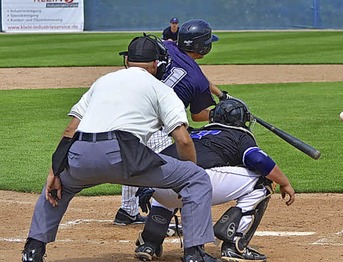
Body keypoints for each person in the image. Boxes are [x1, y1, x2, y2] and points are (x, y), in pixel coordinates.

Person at [21, 34, 219, 262]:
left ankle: (33, 250)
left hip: (80, 154)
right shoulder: (161, 89)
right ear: (157, 63)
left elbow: (70, 131)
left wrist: (55, 172)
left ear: (128, 60)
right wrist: (185, 175)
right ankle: (194, 254)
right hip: (125, 156)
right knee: (196, 178)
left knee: (57, 189)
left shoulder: (102, 82)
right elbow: (183, 140)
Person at [133, 98, 296, 262]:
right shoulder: (238, 135)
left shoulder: (194, 133)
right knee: (263, 181)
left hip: (155, 185)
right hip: (195, 185)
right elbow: (259, 161)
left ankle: (149, 243)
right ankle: (235, 245)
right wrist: (285, 182)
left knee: (173, 176)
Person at [114, 18, 230, 225]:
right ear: (203, 47)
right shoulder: (197, 80)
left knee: (134, 157)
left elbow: (199, 75)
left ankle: (127, 211)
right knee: (171, 163)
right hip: (161, 126)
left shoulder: (167, 46)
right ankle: (159, 207)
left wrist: (221, 95)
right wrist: (219, 113)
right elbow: (198, 115)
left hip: (132, 113)